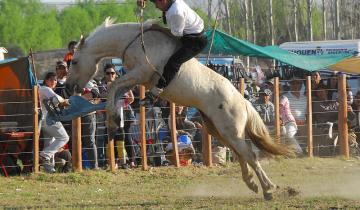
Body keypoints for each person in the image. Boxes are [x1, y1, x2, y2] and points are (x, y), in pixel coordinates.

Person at [137, 0, 208, 106]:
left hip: (195, 42)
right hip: (190, 33)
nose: (156, 7)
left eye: (156, 3)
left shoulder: (176, 12)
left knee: (174, 62)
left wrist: (159, 28)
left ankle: (157, 91)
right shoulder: (171, 3)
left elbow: (175, 35)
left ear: (163, 1)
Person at [98, 64, 136, 168]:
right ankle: (112, 163)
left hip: (120, 122)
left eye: (112, 73)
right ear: (105, 75)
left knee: (121, 143)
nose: (110, 75)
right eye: (108, 73)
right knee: (109, 144)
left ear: (116, 74)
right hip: (107, 122)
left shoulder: (121, 86)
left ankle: (123, 163)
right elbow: (100, 100)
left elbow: (131, 99)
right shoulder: (101, 86)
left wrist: (127, 87)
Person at [39, 72, 70, 173]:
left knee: (49, 143)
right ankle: (45, 154)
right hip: (49, 120)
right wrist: (67, 101)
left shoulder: (45, 89)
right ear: (46, 80)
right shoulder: (45, 89)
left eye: (55, 80)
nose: (53, 82)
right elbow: (57, 99)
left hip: (44, 120)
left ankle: (49, 169)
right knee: (64, 137)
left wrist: (64, 101)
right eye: (51, 79)